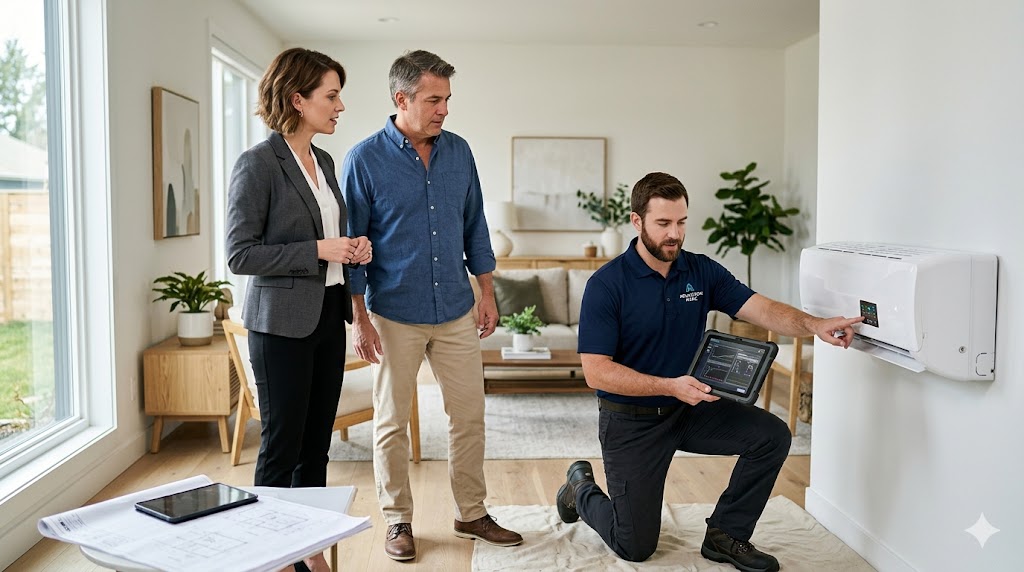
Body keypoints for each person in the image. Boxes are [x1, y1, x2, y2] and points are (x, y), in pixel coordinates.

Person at [556, 172, 861, 572]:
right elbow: (596, 373)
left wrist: (814, 324)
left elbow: (761, 308)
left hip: (690, 409)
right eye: (663, 223)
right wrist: (669, 386)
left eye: (681, 222)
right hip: (631, 422)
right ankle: (580, 489)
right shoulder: (607, 285)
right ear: (637, 221)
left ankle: (725, 535)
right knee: (634, 546)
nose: (675, 234)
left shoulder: (701, 272)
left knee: (771, 436)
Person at [342, 49, 522, 561]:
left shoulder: (459, 152)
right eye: (433, 99)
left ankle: (471, 512)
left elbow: (476, 228)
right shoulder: (364, 159)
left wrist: (486, 292)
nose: (444, 109)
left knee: (469, 416)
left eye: (447, 99)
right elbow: (354, 245)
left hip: (456, 311)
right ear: (401, 99)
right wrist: (360, 318)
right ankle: (397, 520)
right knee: (392, 421)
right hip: (393, 312)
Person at [225, 47, 371, 572]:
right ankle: (272, 553)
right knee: (281, 446)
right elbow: (241, 254)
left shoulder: (325, 161)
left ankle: (305, 546)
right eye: (331, 95)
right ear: (297, 99)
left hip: (329, 316)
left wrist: (352, 247)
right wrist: (319, 250)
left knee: (316, 444)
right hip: (280, 326)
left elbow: (327, 236)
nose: (339, 106)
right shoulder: (258, 164)